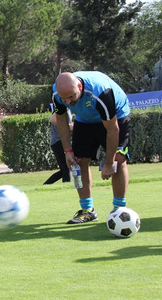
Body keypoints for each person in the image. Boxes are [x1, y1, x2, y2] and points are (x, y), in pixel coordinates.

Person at [52, 71, 131, 224]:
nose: (68, 102)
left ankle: (119, 209)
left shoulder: (100, 92)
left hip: (117, 116)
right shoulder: (56, 93)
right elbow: (61, 120)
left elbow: (112, 129)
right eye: (64, 99)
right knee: (78, 161)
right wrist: (67, 151)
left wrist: (108, 163)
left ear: (80, 87)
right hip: (85, 119)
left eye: (71, 97)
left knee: (118, 159)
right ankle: (88, 211)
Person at [43, 109, 72, 185]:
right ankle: (66, 188)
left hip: (59, 141)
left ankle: (46, 185)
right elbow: (52, 119)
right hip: (58, 141)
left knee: (64, 169)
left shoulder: (67, 109)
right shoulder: (62, 108)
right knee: (66, 168)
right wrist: (67, 126)